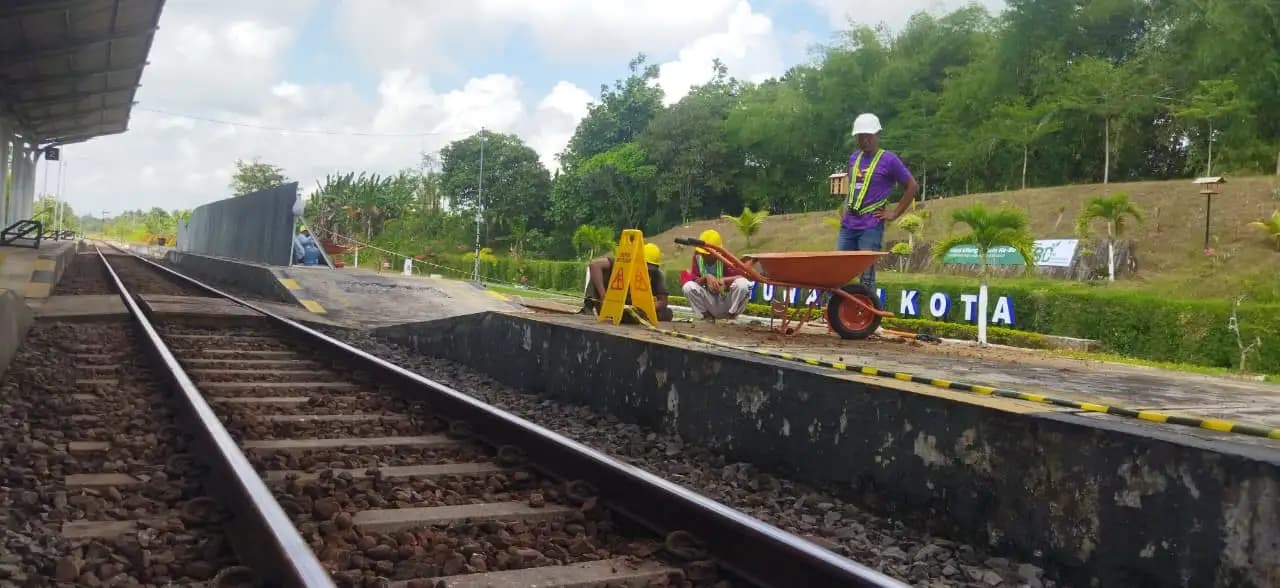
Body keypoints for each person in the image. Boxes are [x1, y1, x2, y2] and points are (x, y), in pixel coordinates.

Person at [837, 113, 919, 290]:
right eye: (860, 137)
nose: (864, 140)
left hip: (870, 225)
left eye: (868, 136)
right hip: (848, 224)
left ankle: (867, 308)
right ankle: (838, 307)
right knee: (838, 271)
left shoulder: (889, 160)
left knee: (866, 276)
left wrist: (894, 214)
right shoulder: (854, 158)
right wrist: (844, 210)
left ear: (877, 135)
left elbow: (912, 186)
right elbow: (853, 187)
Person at [581, 242, 673, 322]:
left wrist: (646, 308)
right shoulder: (624, 263)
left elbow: (663, 301)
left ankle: (629, 316)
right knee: (598, 274)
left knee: (666, 313)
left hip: (632, 306)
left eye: (651, 268)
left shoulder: (656, 275)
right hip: (608, 302)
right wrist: (603, 296)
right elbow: (594, 265)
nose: (648, 270)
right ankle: (588, 307)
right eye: (646, 266)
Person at [680, 229, 753, 321]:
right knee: (688, 287)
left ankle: (731, 317)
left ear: (717, 252)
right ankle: (706, 317)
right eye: (703, 253)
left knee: (744, 284)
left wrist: (724, 281)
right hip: (710, 301)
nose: (705, 256)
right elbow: (694, 280)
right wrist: (706, 278)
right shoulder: (697, 256)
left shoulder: (726, 258)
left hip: (727, 302)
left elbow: (742, 277)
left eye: (708, 254)